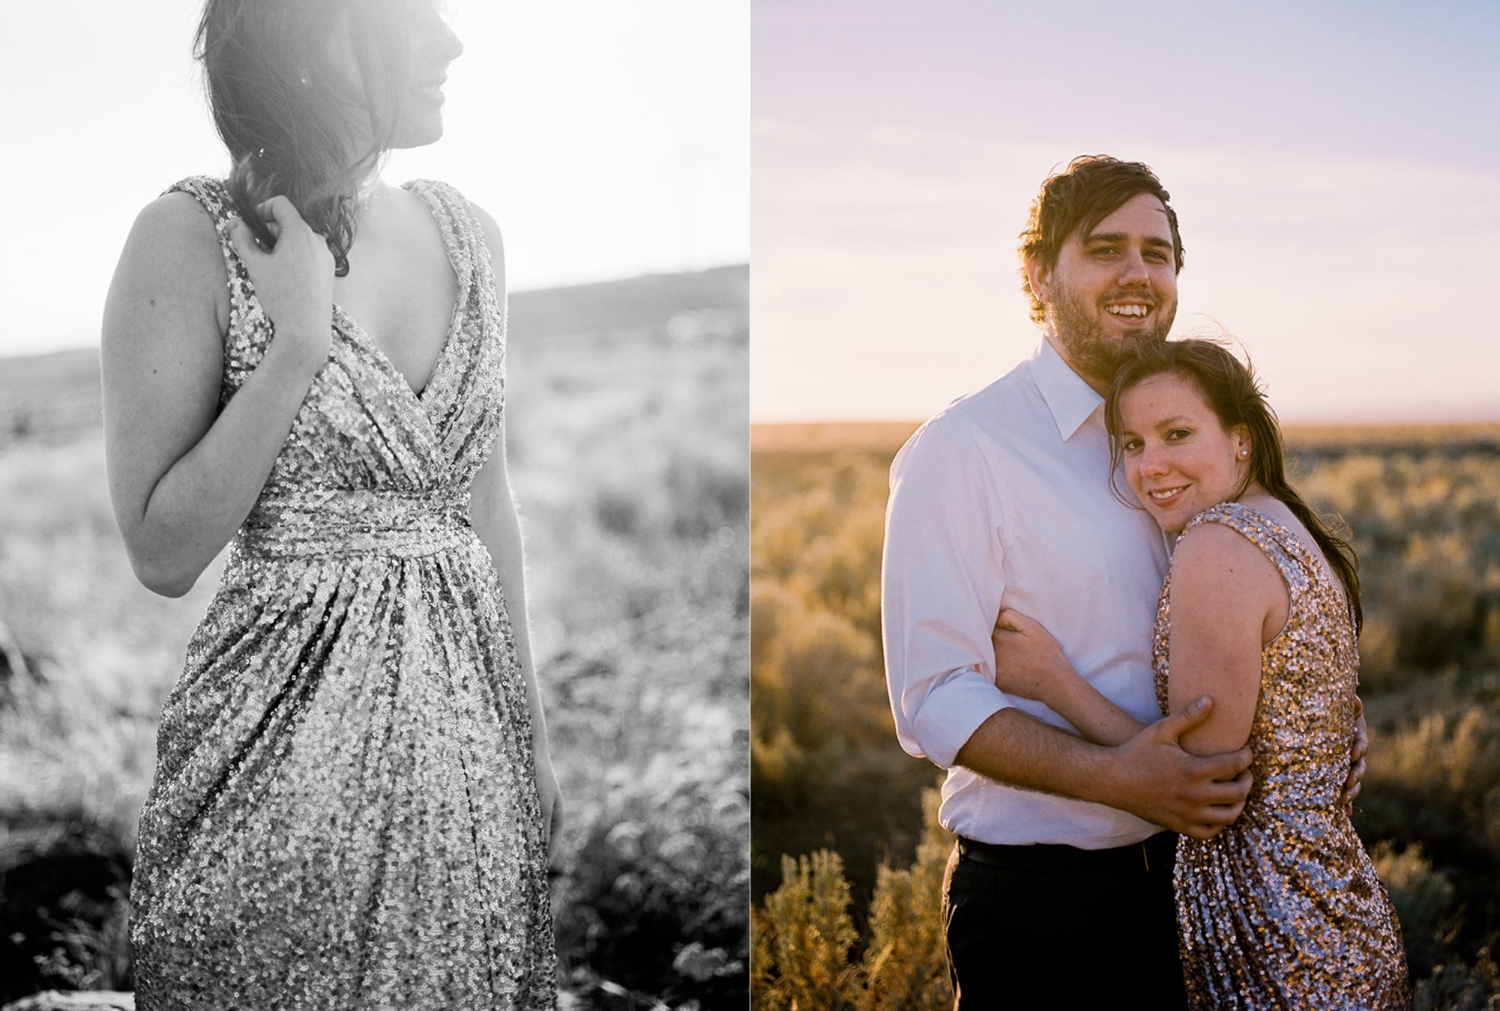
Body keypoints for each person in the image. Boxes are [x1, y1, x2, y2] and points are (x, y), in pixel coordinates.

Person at [100, 1, 558, 1007]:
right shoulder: (186, 236)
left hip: (462, 747)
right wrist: (296, 346)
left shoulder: (469, 235)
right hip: (274, 755)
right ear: (315, 35)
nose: (452, 43)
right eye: (418, 18)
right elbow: (163, 550)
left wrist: (526, 737)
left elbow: (489, 503)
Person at [880, 155, 1366, 1009]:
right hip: (1051, 909)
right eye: (1106, 248)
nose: (1139, 273)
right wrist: (1116, 778)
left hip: (1205, 890)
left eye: (1159, 252)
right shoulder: (965, 449)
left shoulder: (1180, 430)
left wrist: (1318, 732)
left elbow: (1266, 604)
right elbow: (934, 697)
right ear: (1038, 274)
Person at [990, 338, 1410, 1007]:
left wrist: (1052, 681)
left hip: (1274, 926)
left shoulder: (1220, 543)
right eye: (1132, 443)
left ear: (1240, 440)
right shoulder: (1287, 521)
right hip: (1334, 909)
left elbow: (1199, 785)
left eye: (1177, 434)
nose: (1150, 466)